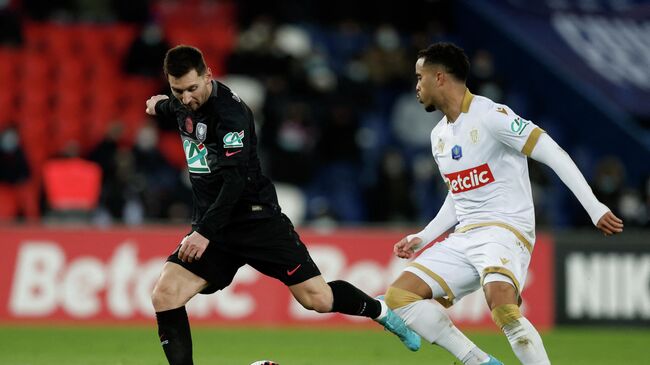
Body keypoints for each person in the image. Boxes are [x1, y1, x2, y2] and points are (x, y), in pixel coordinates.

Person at [144, 45, 420, 365]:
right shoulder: (181, 103)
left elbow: (234, 183)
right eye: (178, 91)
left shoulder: (230, 115)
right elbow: (173, 108)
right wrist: (160, 104)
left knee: (317, 299)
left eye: (192, 88)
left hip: (255, 220)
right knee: (166, 294)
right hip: (217, 229)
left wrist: (203, 232)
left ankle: (381, 310)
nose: (187, 98)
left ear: (208, 76)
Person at [384, 42, 624, 365]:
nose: (416, 86)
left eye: (419, 77)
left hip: (506, 228)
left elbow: (553, 152)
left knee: (503, 307)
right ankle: (477, 360)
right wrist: (424, 236)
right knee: (399, 296)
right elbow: (459, 195)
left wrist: (595, 207)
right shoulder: (438, 136)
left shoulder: (492, 116)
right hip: (466, 235)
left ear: (439, 77)